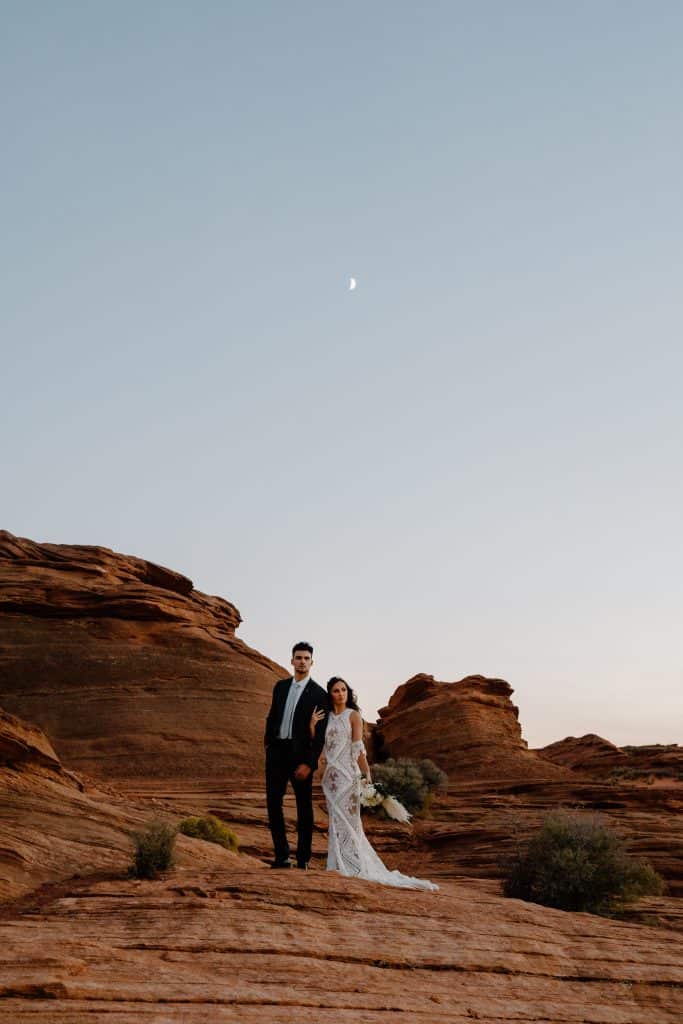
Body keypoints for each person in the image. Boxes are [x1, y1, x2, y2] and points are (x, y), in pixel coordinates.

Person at [310, 677, 438, 891]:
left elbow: (357, 748)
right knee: (335, 821)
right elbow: (319, 746)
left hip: (348, 775)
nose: (340, 694)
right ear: (330, 694)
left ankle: (354, 866)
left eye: (343, 690)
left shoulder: (353, 716)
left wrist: (366, 772)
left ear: (347, 693)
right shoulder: (328, 718)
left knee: (350, 822)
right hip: (331, 778)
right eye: (335, 690)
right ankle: (337, 864)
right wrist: (313, 725)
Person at [264, 642, 328, 868]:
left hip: (300, 757)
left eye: (306, 658)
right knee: (273, 802)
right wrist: (268, 745)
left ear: (312, 663)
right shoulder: (280, 687)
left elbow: (319, 735)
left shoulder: (320, 694)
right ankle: (281, 856)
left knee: (304, 807)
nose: (302, 661)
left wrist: (310, 764)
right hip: (277, 753)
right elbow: (272, 717)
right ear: (291, 661)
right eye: (298, 657)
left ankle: (303, 859)